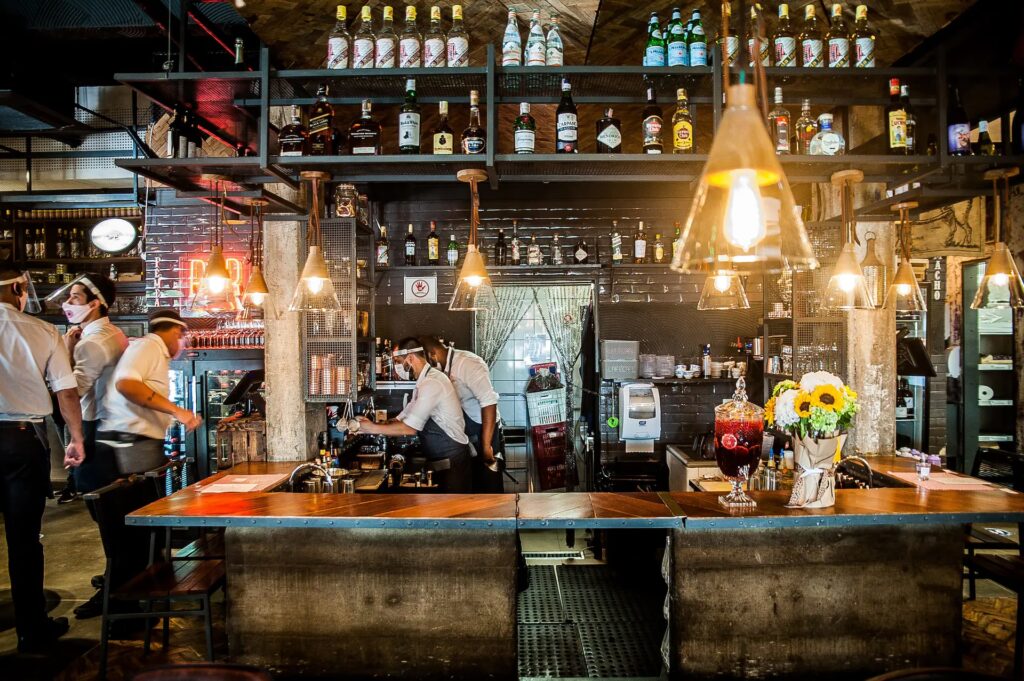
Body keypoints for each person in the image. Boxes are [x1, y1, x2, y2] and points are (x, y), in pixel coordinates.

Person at [0, 268, 85, 653]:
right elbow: (66, 392)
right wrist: (76, 438)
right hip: (22, 439)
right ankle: (31, 630)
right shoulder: (42, 331)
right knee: (24, 538)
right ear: (19, 288)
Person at [357, 338, 471, 492]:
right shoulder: (424, 381)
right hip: (442, 459)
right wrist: (377, 424)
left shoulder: (432, 383)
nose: (396, 368)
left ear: (410, 358)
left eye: (398, 361)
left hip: (452, 462)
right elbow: (406, 415)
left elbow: (409, 428)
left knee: (453, 507)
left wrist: (371, 428)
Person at [98, 308, 201, 475]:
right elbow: (126, 385)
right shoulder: (148, 346)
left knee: (152, 489)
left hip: (139, 443)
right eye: (183, 338)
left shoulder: (153, 350)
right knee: (142, 491)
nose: (182, 345)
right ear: (176, 332)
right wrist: (176, 411)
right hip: (131, 443)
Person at [59, 273, 128, 494]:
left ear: (94, 303)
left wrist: (66, 352)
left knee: (96, 493)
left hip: (94, 424)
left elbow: (73, 391)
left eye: (75, 297)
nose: (68, 303)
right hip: (114, 422)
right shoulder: (114, 332)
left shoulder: (91, 343)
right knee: (111, 494)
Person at [420, 335, 504, 493]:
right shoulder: (443, 370)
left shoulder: (468, 363)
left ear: (432, 355)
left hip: (485, 431)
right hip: (468, 433)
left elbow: (489, 403)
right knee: (470, 488)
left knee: (488, 489)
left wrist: (486, 446)